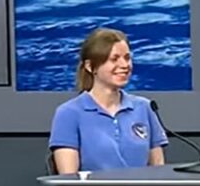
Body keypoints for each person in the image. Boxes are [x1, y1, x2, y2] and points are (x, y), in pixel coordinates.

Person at [49, 28, 168, 173]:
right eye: (114, 59)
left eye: (127, 57)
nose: (124, 65)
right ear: (90, 66)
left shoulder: (144, 108)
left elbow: (158, 169)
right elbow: (68, 179)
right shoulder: (69, 113)